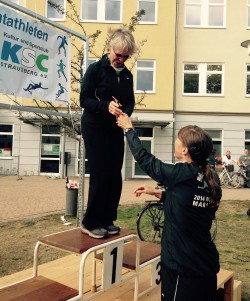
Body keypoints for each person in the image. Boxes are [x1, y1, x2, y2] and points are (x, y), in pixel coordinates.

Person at [117, 116, 222, 301]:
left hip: (182, 267)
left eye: (178, 138)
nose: (175, 140)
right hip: (205, 264)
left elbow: (145, 159)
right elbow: (190, 206)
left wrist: (128, 129)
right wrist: (158, 193)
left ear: (184, 150)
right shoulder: (210, 177)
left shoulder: (180, 173)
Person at [79, 28, 137, 239]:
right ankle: (90, 222)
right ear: (109, 48)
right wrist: (106, 106)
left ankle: (106, 219)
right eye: (117, 54)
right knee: (101, 173)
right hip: (94, 126)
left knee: (114, 174)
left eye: (125, 56)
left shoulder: (128, 76)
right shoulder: (95, 70)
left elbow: (130, 101)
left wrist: (125, 114)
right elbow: (84, 100)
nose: (120, 59)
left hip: (115, 128)